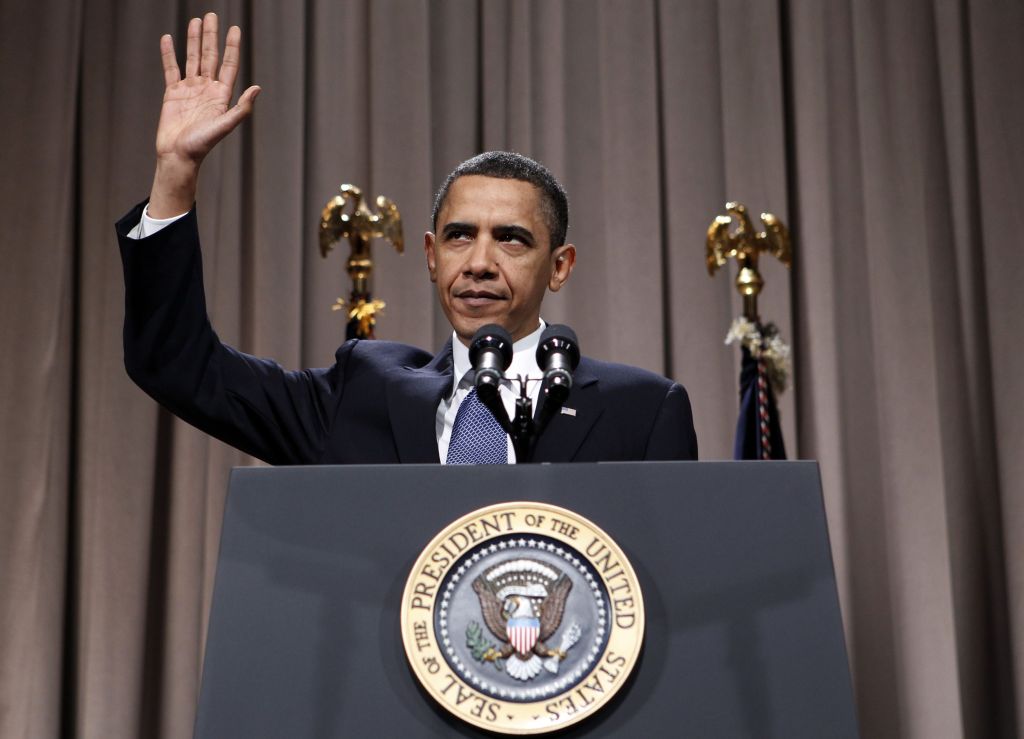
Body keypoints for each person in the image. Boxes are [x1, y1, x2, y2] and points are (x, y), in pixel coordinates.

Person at [117, 13, 697, 465]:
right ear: (429, 253)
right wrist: (176, 174)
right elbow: (176, 365)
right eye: (459, 236)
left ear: (560, 265)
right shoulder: (364, 393)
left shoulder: (640, 409)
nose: (479, 263)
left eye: (512, 240)